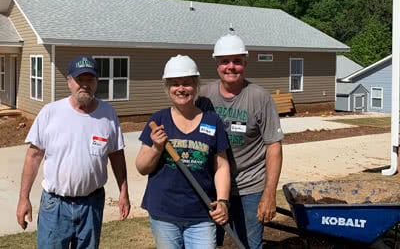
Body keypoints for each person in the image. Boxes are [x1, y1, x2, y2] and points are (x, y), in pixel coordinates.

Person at [16, 55, 131, 249]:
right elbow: (33, 157)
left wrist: (124, 192)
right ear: (69, 82)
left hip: (91, 204)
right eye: (79, 80)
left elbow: (117, 156)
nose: (84, 85)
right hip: (55, 206)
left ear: (96, 82)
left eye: (90, 80)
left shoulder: (108, 114)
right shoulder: (50, 112)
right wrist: (23, 198)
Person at [197, 34, 284, 249]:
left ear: (245, 63)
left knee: (250, 244)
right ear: (217, 64)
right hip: (213, 186)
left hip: (250, 187)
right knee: (208, 242)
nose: (231, 67)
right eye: (225, 61)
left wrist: (269, 193)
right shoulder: (203, 97)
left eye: (237, 61)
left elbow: (273, 146)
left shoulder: (259, 97)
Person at [136, 54, 231, 249]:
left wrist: (222, 201)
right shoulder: (158, 120)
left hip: (202, 214)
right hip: (164, 213)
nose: (181, 89)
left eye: (187, 83)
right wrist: (156, 147)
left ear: (196, 86)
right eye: (175, 84)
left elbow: (221, 166)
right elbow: (142, 167)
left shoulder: (212, 121)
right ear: (167, 88)